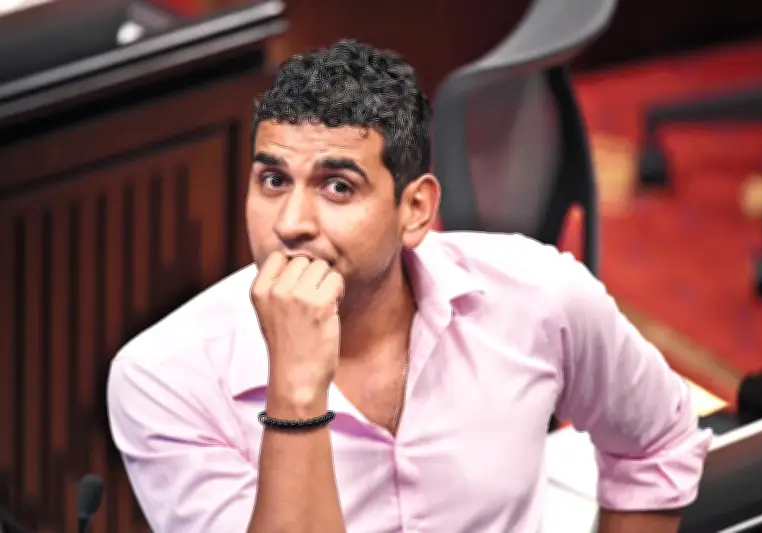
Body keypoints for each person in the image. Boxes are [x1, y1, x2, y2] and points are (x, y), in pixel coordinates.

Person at [107, 39, 713, 533]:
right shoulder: (163, 379)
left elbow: (656, 443)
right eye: (273, 181)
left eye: (337, 187)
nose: (291, 223)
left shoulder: (537, 294)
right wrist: (295, 390)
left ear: (415, 209)